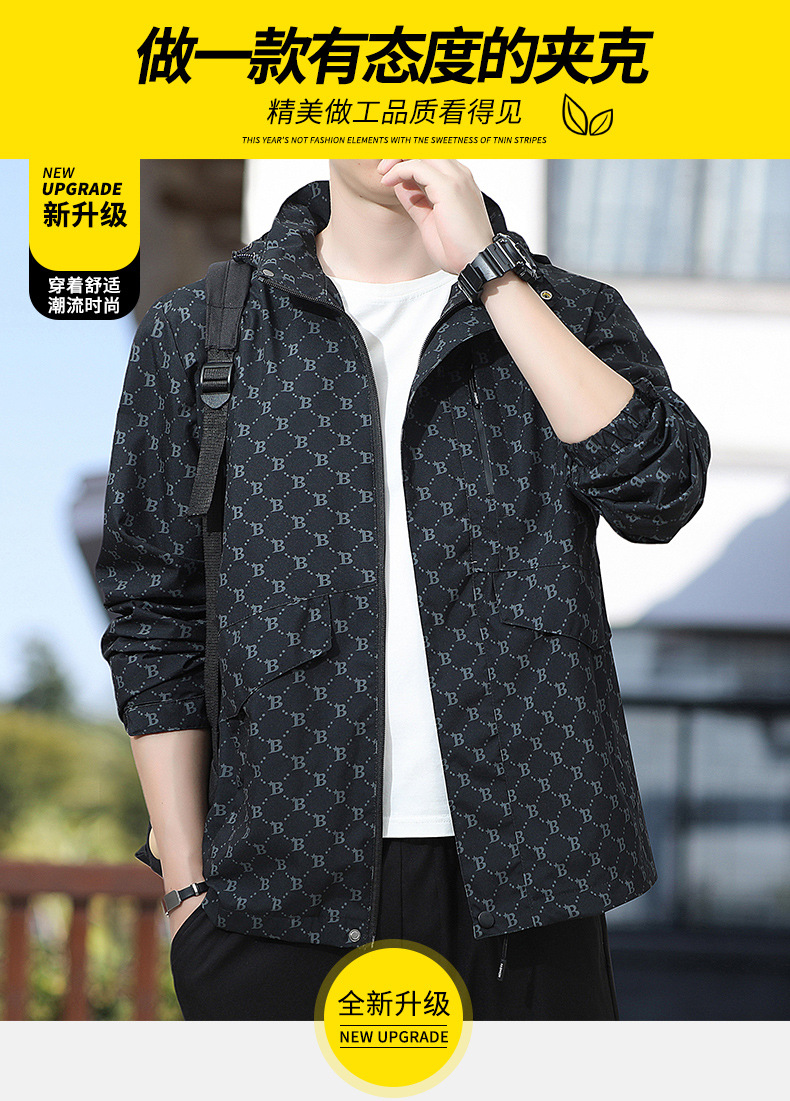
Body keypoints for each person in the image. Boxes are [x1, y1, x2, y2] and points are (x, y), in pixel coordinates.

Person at [95, 158, 710, 1020]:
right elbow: (153, 612)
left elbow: (661, 493)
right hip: (274, 882)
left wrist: (491, 273)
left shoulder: (567, 312)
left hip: (529, 882)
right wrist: (186, 884)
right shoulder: (200, 329)